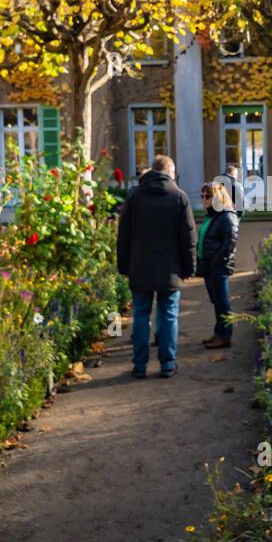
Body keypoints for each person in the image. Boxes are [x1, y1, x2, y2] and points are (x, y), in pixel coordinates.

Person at [116, 155, 195, 378]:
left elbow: (124, 236)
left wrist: (123, 266)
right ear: (171, 172)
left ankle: (140, 365)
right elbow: (188, 239)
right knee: (169, 314)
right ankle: (167, 364)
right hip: (169, 268)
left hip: (140, 266)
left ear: (153, 170)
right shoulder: (179, 197)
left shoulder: (135, 197)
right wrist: (189, 268)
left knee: (140, 315)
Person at [196, 181, 239, 349]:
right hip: (209, 266)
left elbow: (230, 242)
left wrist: (216, 261)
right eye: (202, 196)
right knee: (216, 301)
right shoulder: (212, 215)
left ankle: (225, 335)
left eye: (207, 196)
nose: (204, 200)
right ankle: (219, 332)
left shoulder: (227, 215)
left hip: (218, 267)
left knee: (222, 302)